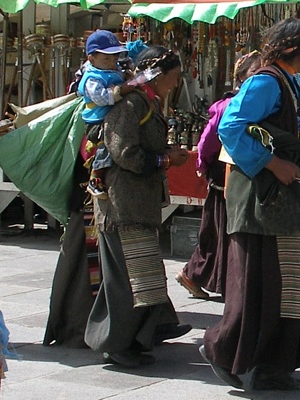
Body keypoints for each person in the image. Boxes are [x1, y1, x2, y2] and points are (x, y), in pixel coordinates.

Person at [199, 18, 300, 391]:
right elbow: (231, 127)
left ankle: (273, 365)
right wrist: (273, 162)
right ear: (298, 52)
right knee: (258, 285)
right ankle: (220, 350)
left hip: (279, 201)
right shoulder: (265, 82)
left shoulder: (289, 83)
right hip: (260, 200)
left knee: (287, 283)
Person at [84, 45, 192, 368]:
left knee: (143, 274)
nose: (175, 85)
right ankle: (116, 344)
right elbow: (124, 153)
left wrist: (166, 153)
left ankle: (143, 334)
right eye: (172, 78)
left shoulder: (148, 103)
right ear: (156, 76)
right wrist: (164, 159)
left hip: (137, 204)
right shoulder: (131, 104)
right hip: (121, 205)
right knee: (124, 280)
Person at [175, 51, 262, 299]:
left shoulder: (259, 104)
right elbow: (208, 140)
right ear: (241, 78)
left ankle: (223, 282)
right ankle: (193, 274)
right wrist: (202, 163)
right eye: (253, 73)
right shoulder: (228, 106)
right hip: (224, 177)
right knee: (217, 231)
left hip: (245, 177)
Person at [77, 30, 133, 199]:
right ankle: (96, 177)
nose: (111, 63)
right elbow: (102, 98)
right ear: (91, 59)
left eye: (114, 58)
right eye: (106, 59)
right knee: (107, 145)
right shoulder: (92, 79)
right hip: (97, 119)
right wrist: (120, 90)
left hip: (112, 115)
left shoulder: (113, 70)